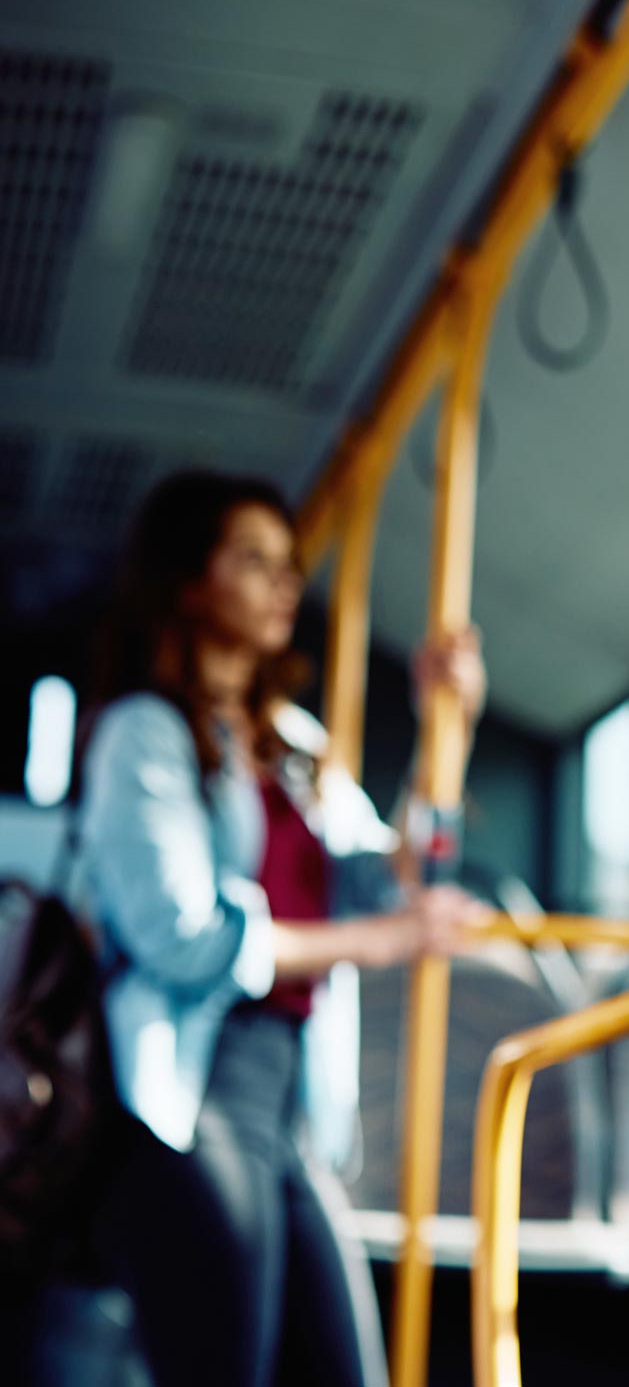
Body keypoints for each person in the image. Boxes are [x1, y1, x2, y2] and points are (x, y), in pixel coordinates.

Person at [73, 470, 490, 1387]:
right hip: (193, 1091)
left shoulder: (292, 746)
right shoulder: (141, 736)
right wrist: (382, 942)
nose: (282, 584)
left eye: (286, 564)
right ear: (189, 583)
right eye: (252, 560)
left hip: (291, 1099)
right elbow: (184, 937)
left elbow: (391, 877)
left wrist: (440, 727)